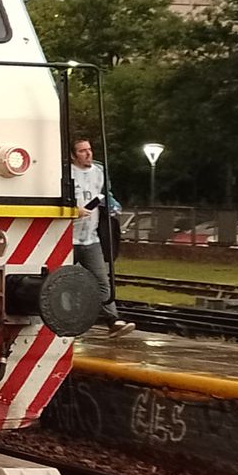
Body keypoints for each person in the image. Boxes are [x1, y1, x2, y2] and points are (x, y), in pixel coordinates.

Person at [71, 138, 135, 338]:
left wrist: (111, 205)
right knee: (62, 280)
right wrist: (74, 211)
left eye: (89, 149)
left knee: (102, 280)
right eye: (82, 151)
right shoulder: (66, 174)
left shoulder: (98, 172)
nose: (88, 154)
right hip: (67, 239)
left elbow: (104, 193)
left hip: (90, 237)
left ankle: (112, 320)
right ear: (73, 155)